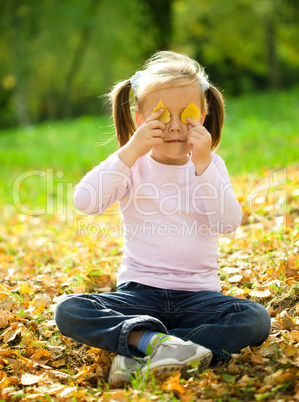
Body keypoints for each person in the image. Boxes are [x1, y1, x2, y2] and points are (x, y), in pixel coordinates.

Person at [54, 51, 271, 384]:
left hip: (199, 296)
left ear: (204, 113)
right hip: (139, 293)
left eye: (187, 114)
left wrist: (203, 167)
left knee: (255, 319)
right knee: (68, 309)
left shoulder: (211, 166)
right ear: (140, 119)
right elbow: (85, 201)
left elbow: (227, 223)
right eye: (160, 114)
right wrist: (129, 152)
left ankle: (139, 350)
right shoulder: (132, 164)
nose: (174, 125)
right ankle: (160, 344)